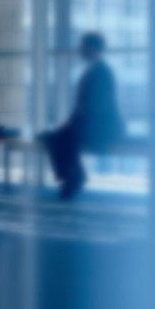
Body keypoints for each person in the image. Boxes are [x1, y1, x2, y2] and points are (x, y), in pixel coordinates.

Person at [41, 32, 125, 200]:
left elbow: (94, 107)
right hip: (96, 125)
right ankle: (74, 177)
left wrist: (72, 123)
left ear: (93, 49)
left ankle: (73, 177)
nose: (81, 51)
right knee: (56, 137)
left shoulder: (101, 72)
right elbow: (86, 107)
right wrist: (72, 123)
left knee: (57, 137)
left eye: (84, 47)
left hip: (103, 128)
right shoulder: (97, 70)